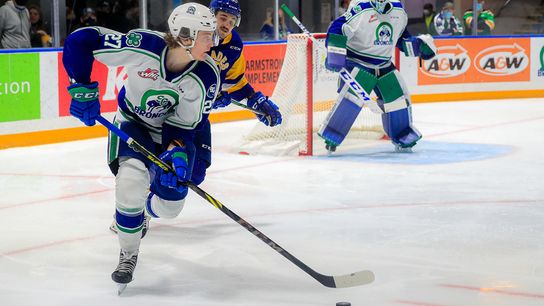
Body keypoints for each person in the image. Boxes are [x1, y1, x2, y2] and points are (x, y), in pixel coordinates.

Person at [62, 3, 220, 290]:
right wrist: (81, 88)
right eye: (206, 35)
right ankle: (128, 253)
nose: (214, 41)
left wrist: (176, 152)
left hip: (169, 132)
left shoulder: (206, 76)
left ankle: (147, 210)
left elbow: (184, 128)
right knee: (130, 182)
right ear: (185, 36)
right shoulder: (143, 46)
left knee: (171, 205)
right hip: (132, 123)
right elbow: (81, 40)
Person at [320, 0, 436, 152]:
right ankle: (333, 133)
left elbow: (400, 37)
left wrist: (418, 47)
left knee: (397, 96)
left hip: (384, 64)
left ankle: (402, 134)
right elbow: (337, 28)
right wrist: (335, 53)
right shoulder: (361, 8)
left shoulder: (398, 11)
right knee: (352, 98)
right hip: (358, 61)